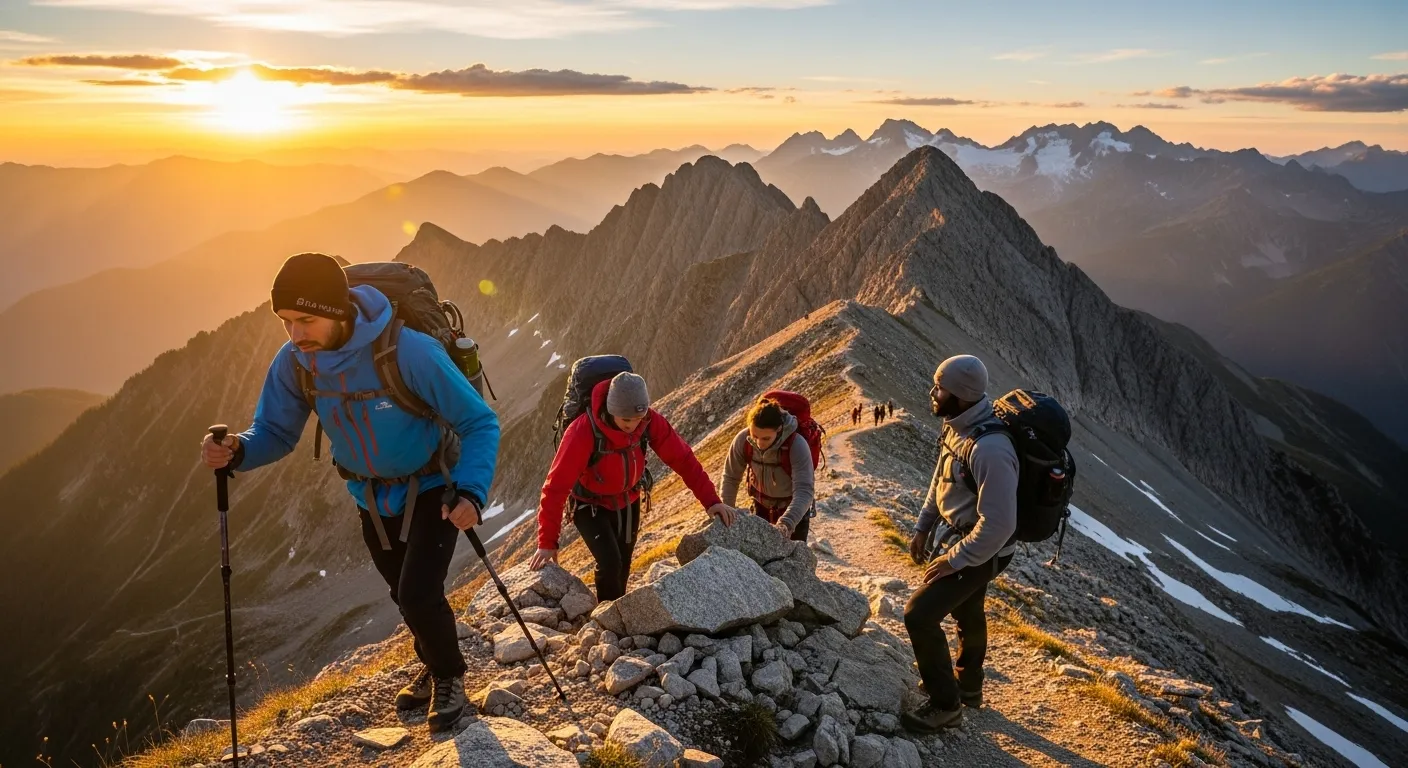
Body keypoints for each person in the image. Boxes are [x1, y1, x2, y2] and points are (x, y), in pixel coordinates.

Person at [200, 252, 500, 733]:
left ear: (338, 311)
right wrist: (238, 450)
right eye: (286, 322)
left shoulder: (409, 352)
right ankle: (433, 661)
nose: (296, 334)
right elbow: (275, 432)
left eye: (306, 319)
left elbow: (478, 421)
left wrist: (471, 492)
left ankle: (449, 677)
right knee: (403, 597)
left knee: (419, 594)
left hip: (433, 487)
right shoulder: (297, 363)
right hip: (370, 499)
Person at [529, 372, 736, 600]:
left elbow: (683, 459)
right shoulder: (583, 431)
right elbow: (555, 487)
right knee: (610, 563)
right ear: (610, 410)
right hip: (589, 505)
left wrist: (711, 501)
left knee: (624, 563)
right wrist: (547, 542)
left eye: (638, 418)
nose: (633, 426)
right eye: (626, 420)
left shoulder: (649, 421)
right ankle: (608, 621)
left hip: (629, 500)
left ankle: (619, 614)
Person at [901, 355, 1018, 732]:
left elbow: (999, 524)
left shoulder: (991, 450)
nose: (933, 394)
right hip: (963, 539)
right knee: (968, 610)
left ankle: (945, 704)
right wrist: (923, 528)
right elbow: (941, 480)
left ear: (963, 396)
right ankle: (968, 686)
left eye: (941, 389)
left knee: (919, 614)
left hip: (986, 547)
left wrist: (955, 560)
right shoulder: (957, 428)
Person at [719, 398, 816, 541]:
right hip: (760, 508)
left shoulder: (797, 445)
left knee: (792, 561)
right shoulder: (743, 440)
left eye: (766, 438)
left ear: (779, 429)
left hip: (794, 513)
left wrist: (787, 523)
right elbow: (730, 478)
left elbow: (804, 490)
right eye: (755, 436)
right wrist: (727, 511)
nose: (759, 443)